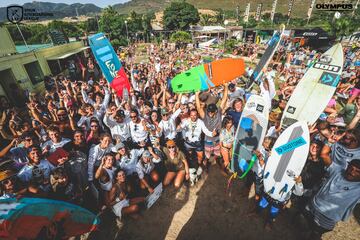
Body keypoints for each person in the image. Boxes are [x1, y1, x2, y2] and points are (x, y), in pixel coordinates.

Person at [304, 158, 360, 240]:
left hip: (327, 218)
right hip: (313, 205)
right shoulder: (338, 170)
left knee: (315, 234)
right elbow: (324, 155)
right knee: (304, 225)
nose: (352, 172)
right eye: (351, 168)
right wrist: (329, 144)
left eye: (357, 171)